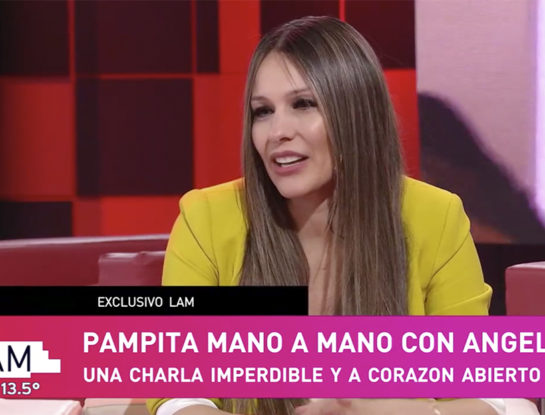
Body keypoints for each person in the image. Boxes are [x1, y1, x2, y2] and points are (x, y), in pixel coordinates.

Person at [148, 16, 507, 415]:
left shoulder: (434, 217)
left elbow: (488, 395)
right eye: (263, 111)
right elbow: (179, 392)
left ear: (356, 113)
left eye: (303, 104)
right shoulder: (208, 219)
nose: (277, 132)